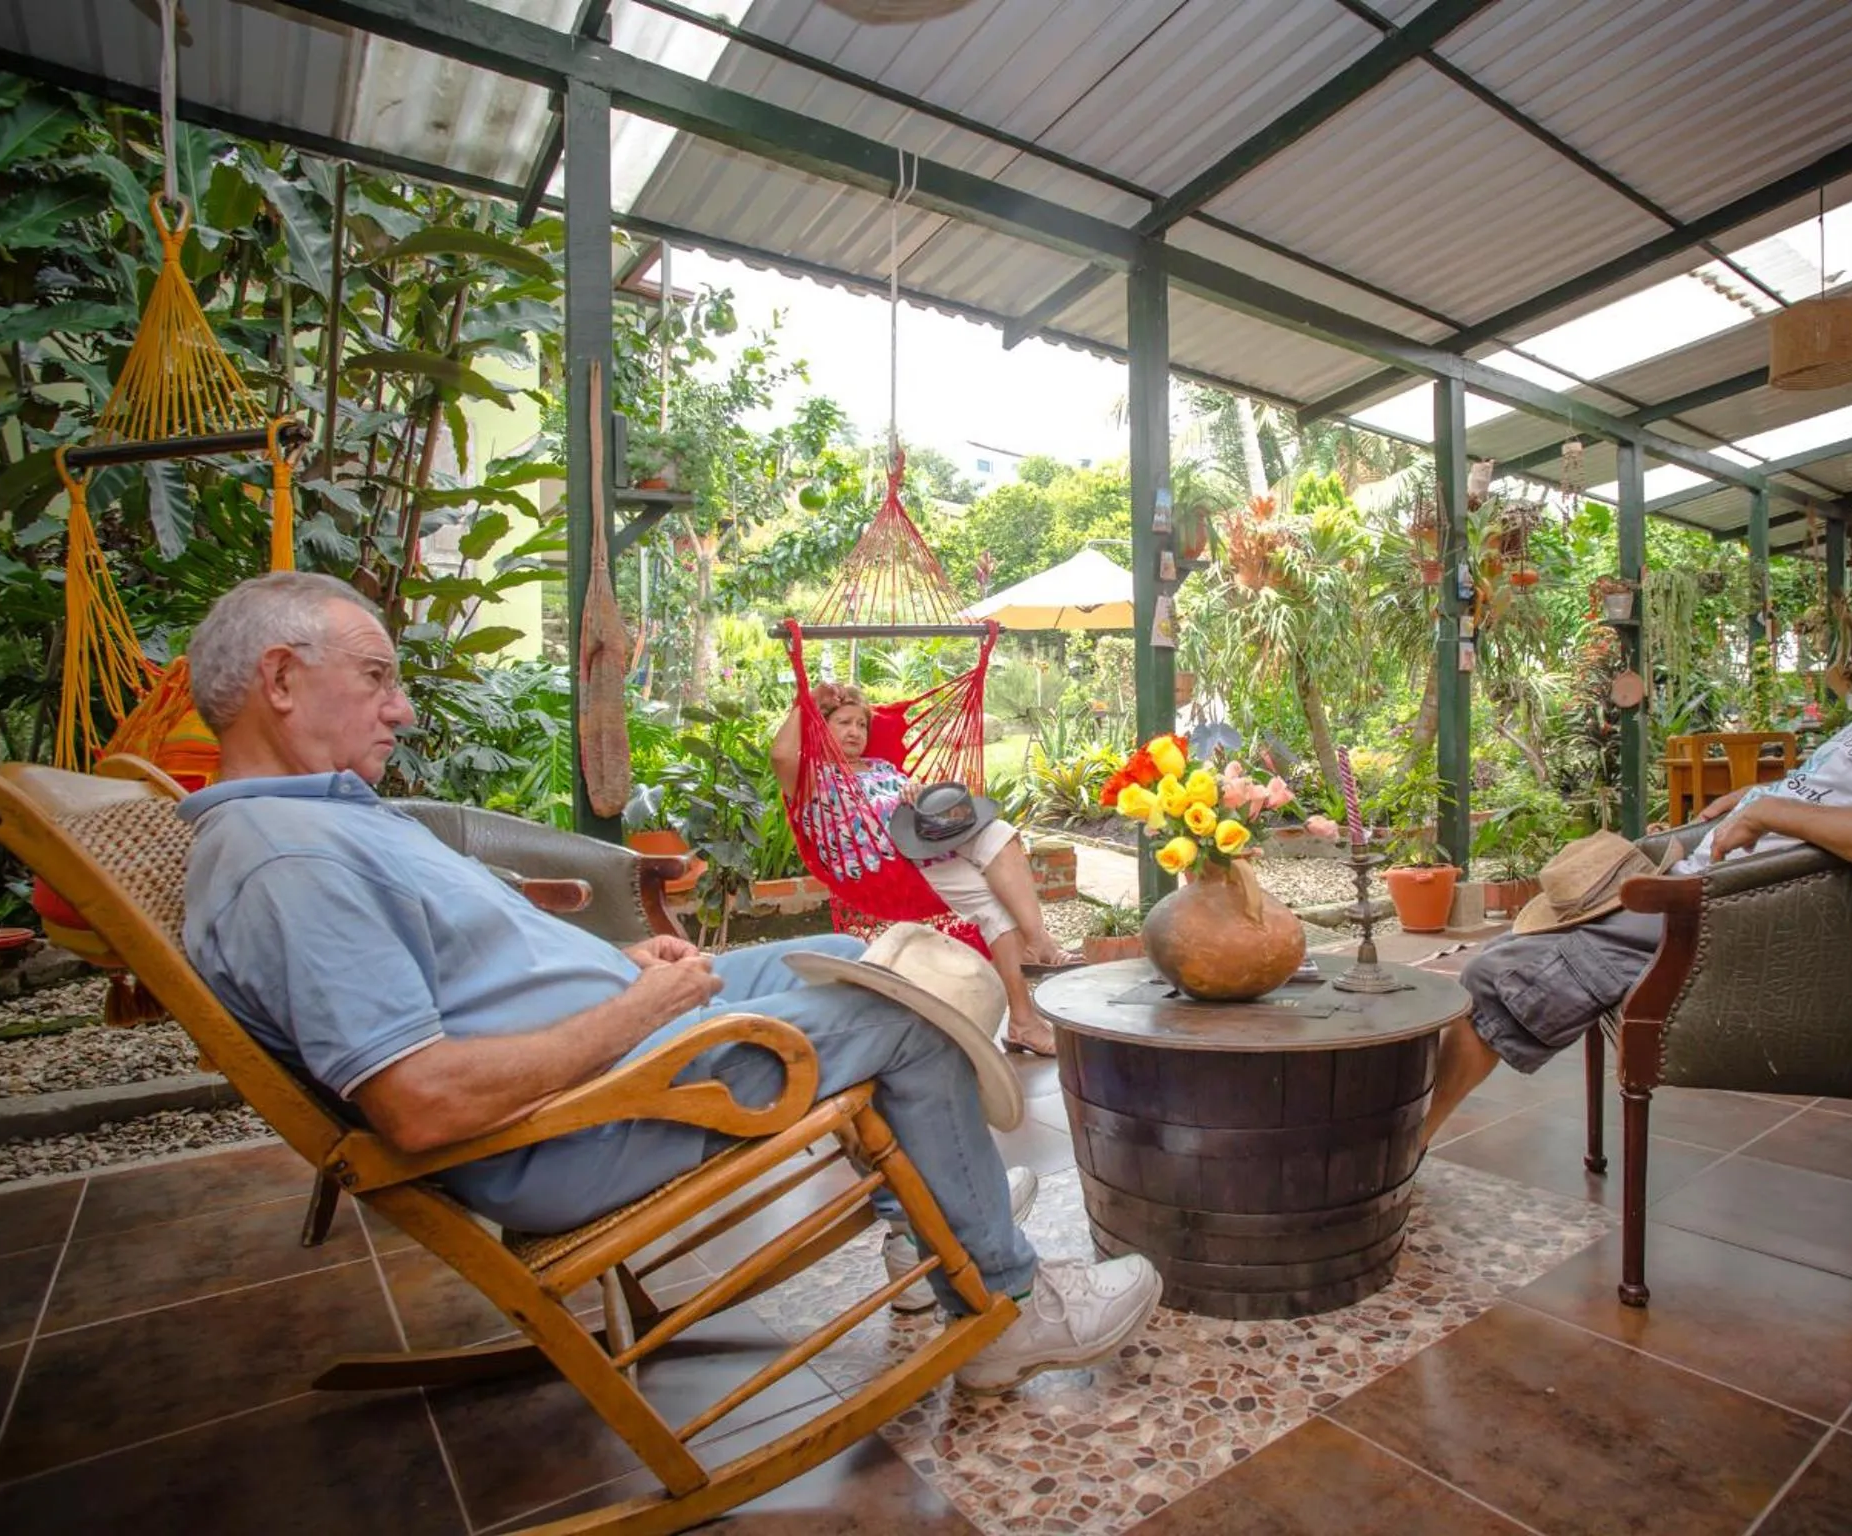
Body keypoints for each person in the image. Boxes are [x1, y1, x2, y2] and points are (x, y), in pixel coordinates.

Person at [175, 572, 1161, 1394]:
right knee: (905, 1016)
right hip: (574, 1124)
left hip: (619, 1043)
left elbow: (465, 973)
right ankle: (1004, 1308)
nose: (401, 704)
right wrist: (633, 1011)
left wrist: (623, 971)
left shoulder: (323, 818)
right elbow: (424, 1103)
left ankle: (926, 1229)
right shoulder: (289, 864)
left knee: (868, 956)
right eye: (377, 677)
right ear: (280, 679)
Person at [1422, 503, 1852, 1148]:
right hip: (1728, 898)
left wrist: (1775, 810)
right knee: (1510, 950)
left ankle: (1399, 1156)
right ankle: (1393, 1139)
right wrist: (1763, 793)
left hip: (1736, 929)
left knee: (1493, 978)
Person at [772, 683, 1071, 1055]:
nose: (855, 732)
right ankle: (1029, 998)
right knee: (996, 910)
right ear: (820, 727)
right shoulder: (812, 777)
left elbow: (919, 801)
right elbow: (782, 755)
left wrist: (916, 792)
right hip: (887, 865)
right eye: (843, 723)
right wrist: (808, 702)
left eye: (861, 725)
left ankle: (1035, 955)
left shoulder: (882, 767)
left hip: (930, 841)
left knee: (999, 833)